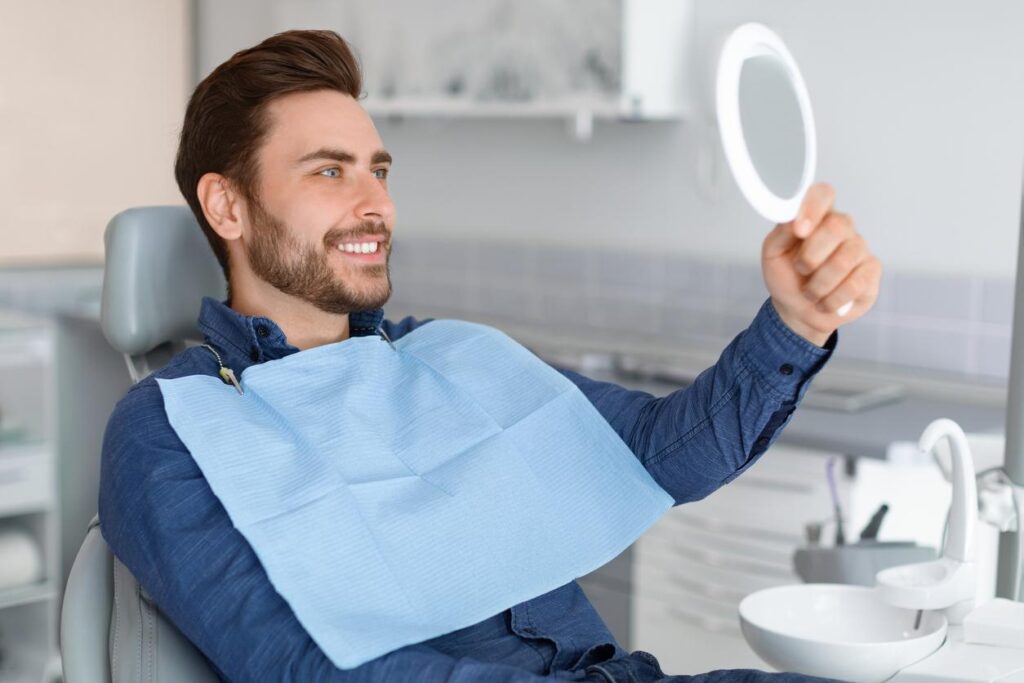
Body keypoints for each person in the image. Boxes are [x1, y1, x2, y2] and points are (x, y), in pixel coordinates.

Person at [99, 30, 880, 682]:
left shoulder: (450, 357)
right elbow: (306, 666)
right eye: (330, 171)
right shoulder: (170, 426)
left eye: (378, 170)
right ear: (227, 206)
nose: (374, 202)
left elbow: (663, 451)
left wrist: (796, 320)